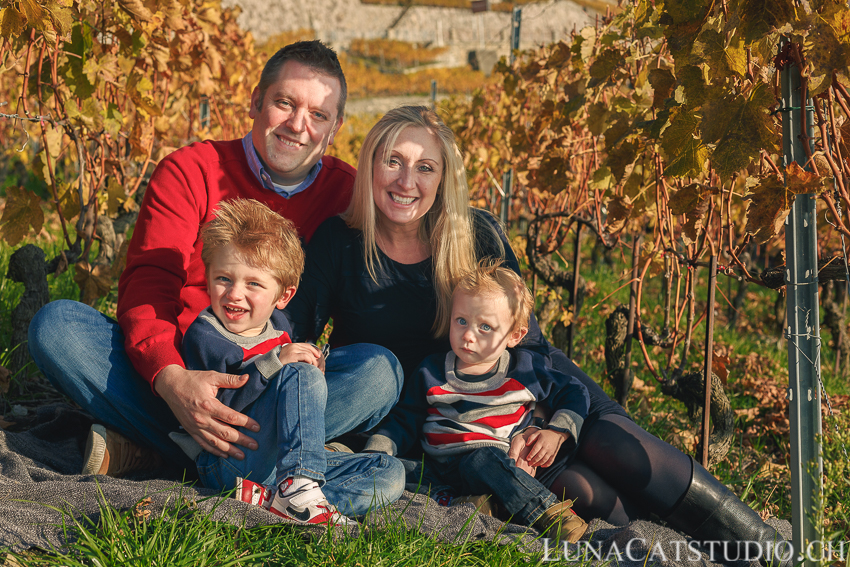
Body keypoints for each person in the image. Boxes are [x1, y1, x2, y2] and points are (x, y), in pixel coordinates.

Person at [284, 105, 792, 566]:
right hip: (443, 412)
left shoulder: (474, 233)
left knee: (615, 443)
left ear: (444, 177)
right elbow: (293, 337)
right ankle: (681, 551)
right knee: (581, 488)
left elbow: (527, 341)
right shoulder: (340, 242)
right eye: (392, 161)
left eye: (425, 167)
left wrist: (543, 417)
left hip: (521, 380)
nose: (406, 181)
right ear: (370, 164)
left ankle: (767, 553)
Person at [27, 41, 403, 487]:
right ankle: (264, 464)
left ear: (335, 126)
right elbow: (150, 283)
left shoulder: (349, 196)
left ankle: (160, 452)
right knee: (57, 327)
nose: (298, 126)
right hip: (182, 368)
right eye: (285, 103)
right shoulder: (189, 170)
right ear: (256, 100)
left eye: (318, 115)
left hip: (276, 384)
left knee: (379, 373)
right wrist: (172, 381)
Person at [171, 198, 403, 524]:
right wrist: (277, 364)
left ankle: (284, 503)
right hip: (227, 459)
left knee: (388, 471)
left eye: (253, 283)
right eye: (224, 278)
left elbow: (291, 389)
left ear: (284, 296)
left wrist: (310, 365)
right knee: (297, 374)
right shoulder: (206, 335)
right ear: (208, 277)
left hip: (274, 463)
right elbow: (218, 411)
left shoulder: (280, 327)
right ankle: (299, 487)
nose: (235, 293)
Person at [363, 262, 589, 542]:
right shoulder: (431, 371)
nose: (468, 335)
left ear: (514, 336)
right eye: (461, 321)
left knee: (481, 459)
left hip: (492, 464)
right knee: (395, 471)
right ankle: (472, 505)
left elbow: (575, 392)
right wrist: (380, 449)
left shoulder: (525, 371)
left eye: (485, 327)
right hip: (437, 464)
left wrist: (557, 432)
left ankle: (548, 512)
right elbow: (405, 419)